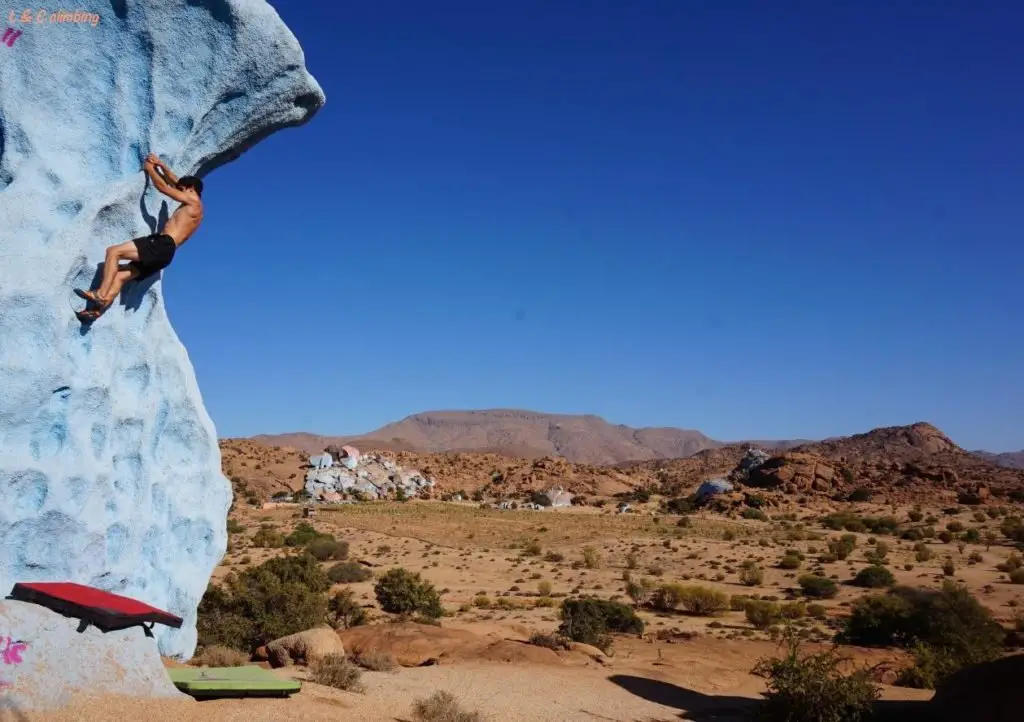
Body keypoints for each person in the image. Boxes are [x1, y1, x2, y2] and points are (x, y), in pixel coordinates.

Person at [74, 153, 204, 322]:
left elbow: (164, 187)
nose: (178, 190)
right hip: (166, 255)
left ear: (190, 188)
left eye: (182, 189)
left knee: (113, 252)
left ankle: (100, 294)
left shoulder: (192, 199)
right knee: (120, 276)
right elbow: (175, 182)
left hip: (162, 244)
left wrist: (150, 169)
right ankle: (96, 312)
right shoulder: (197, 209)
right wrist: (162, 166)